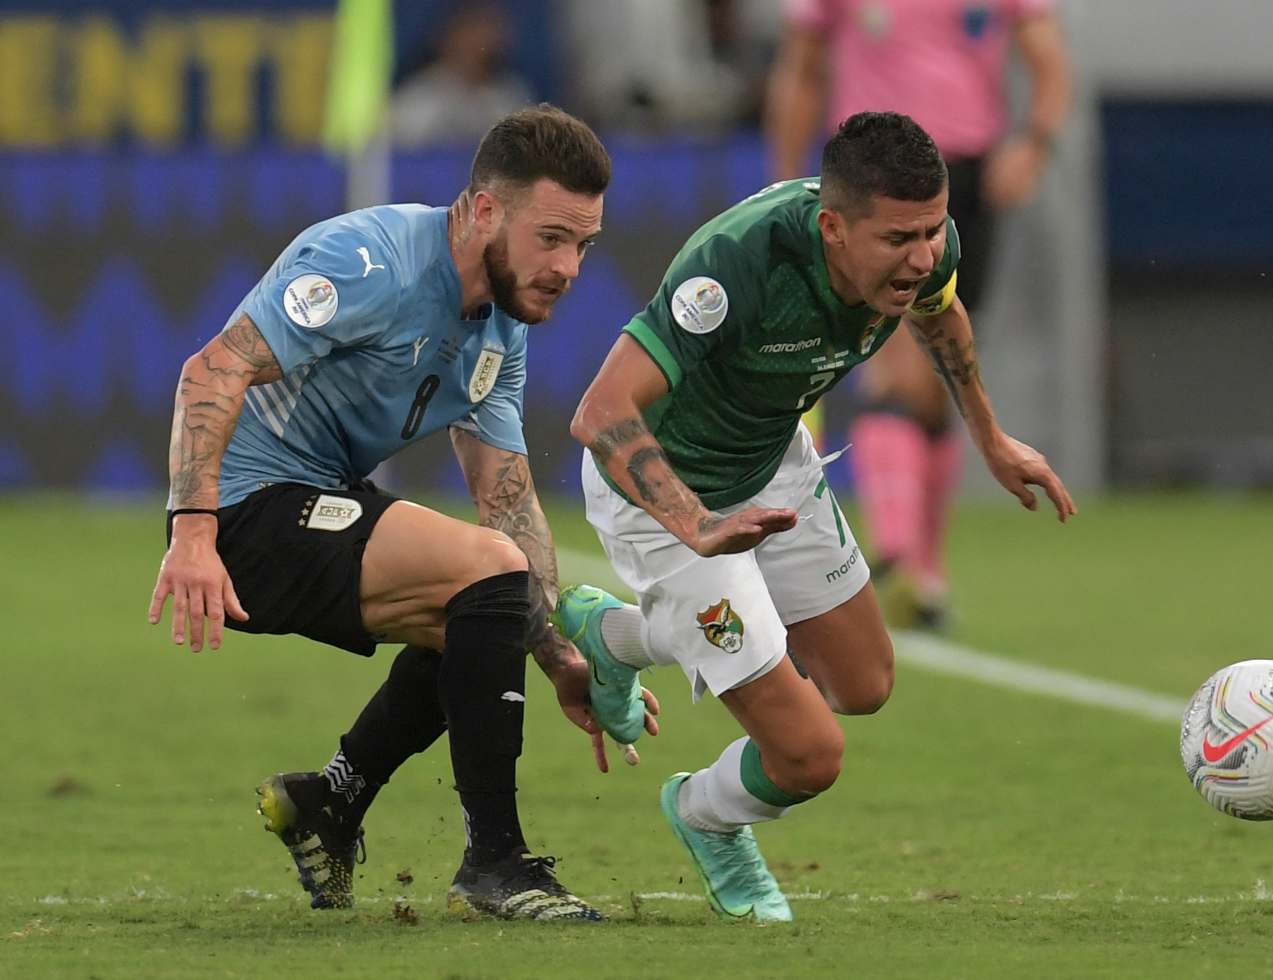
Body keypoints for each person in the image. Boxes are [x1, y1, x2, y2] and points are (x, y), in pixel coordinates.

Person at [553, 112, 1075, 922]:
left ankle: (619, 638)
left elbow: (941, 315)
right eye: (900, 238)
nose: (924, 255)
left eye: (933, 232)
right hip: (663, 506)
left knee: (864, 684)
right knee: (808, 756)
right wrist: (694, 525)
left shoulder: (927, 249)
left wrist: (992, 437)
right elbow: (601, 411)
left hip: (772, 467)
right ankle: (705, 814)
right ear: (833, 228)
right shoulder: (735, 266)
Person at [146, 105, 655, 921]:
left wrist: (557, 655)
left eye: (584, 245)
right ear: (485, 209)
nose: (569, 267)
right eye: (553, 238)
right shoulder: (365, 262)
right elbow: (210, 371)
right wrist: (194, 533)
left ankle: (332, 801)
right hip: (243, 515)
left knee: (484, 606)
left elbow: (507, 496)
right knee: (490, 573)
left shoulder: (500, 327)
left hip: (317, 502)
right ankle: (495, 863)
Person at [767, 0, 1071, 628]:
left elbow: (1046, 54)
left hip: (964, 175)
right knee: (898, 373)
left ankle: (925, 573)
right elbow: (801, 65)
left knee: (934, 384)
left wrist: (1034, 145)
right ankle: (894, 557)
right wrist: (782, 178)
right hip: (871, 186)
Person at [389, 1, 537, 149]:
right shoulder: (418, 98)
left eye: (489, 30)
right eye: (473, 30)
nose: (480, 40)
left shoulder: (510, 96)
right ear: (450, 35)